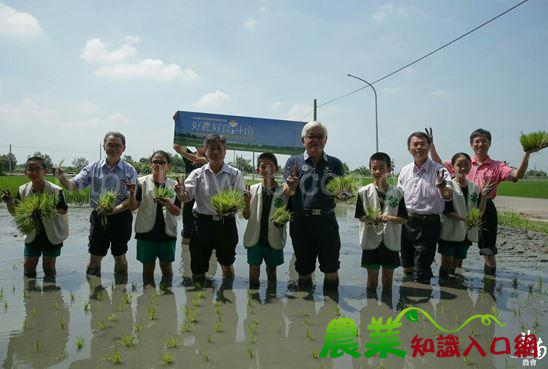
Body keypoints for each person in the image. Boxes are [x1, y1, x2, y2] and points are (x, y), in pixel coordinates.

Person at [429, 128, 542, 275]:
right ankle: (455, 277)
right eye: (477, 141)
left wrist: (526, 154)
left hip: (485, 208)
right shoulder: (464, 162)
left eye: (484, 141)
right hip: (461, 206)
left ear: (490, 143)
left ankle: (489, 285)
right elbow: (439, 163)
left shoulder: (497, 166)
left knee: (488, 249)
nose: (480, 144)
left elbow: (517, 175)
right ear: (471, 144)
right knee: (459, 241)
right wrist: (431, 145)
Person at [55, 131, 137, 276]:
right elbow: (73, 186)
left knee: (120, 256)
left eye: (117, 146)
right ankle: (93, 292)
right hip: (98, 216)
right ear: (104, 147)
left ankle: (121, 292)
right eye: (110, 145)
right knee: (95, 256)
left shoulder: (129, 170)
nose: (113, 149)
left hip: (121, 218)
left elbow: (131, 199)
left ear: (123, 148)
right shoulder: (92, 168)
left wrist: (114, 209)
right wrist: (61, 178)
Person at [282, 121, 344, 290]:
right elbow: (286, 191)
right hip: (301, 222)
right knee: (303, 269)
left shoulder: (335, 163)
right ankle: (305, 309)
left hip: (327, 222)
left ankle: (331, 307)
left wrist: (343, 194)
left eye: (320, 136)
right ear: (303, 140)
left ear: (325, 140)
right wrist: (291, 185)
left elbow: (341, 190)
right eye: (311, 136)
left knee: (331, 267)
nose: (316, 140)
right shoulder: (293, 162)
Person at [177, 134, 244, 283]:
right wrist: (181, 193)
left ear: (225, 151)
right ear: (205, 151)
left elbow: (239, 201)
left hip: (226, 225)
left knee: (227, 264)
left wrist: (230, 207)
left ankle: (227, 294)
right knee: (198, 267)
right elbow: (185, 197)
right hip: (202, 225)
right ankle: (199, 299)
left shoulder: (235, 174)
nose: (215, 152)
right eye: (211, 148)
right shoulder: (197, 173)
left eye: (219, 148)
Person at [397, 131, 452, 283]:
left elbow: (448, 195)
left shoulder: (440, 170)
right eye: (415, 144)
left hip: (429, 224)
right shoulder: (404, 170)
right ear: (409, 148)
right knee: (406, 264)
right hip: (407, 222)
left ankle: (423, 299)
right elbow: (398, 197)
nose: (419, 147)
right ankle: (406, 299)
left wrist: (441, 187)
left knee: (422, 268)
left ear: (429, 147)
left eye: (423, 144)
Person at [2, 156, 68, 278]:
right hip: (32, 234)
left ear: (45, 171)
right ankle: (30, 294)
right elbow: (16, 213)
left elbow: (63, 210)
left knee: (49, 268)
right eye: (30, 169)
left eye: (37, 169)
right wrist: (9, 203)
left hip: (52, 234)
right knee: (28, 267)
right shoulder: (23, 190)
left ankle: (52, 294)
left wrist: (44, 210)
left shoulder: (55, 190)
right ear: (25, 172)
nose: (34, 172)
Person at [127, 150, 181, 288]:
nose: (158, 165)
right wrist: (131, 193)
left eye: (162, 162)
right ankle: (147, 297)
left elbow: (177, 212)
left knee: (167, 269)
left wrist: (168, 204)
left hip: (167, 232)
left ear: (168, 165)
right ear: (151, 164)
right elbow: (133, 207)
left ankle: (167, 298)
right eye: (155, 162)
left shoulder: (174, 185)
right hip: (146, 232)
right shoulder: (141, 182)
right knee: (148, 270)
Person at [355, 152, 407, 292]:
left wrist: (390, 218)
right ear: (370, 169)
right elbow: (360, 216)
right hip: (371, 240)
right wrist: (370, 219)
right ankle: (371, 307)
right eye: (374, 168)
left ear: (389, 169)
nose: (377, 171)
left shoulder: (397, 193)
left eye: (382, 168)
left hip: (390, 241)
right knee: (372, 282)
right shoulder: (363, 192)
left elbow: (403, 219)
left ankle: (387, 309)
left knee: (388, 281)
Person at [438, 152, 492, 278]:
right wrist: (464, 219)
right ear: (453, 166)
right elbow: (446, 210)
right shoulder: (448, 186)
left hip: (467, 234)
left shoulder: (475, 188)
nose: (462, 168)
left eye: (466, 165)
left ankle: (452, 283)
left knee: (456, 262)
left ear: (470, 166)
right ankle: (444, 287)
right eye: (459, 165)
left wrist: (484, 196)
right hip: (449, 231)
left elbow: (479, 212)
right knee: (446, 262)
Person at [243, 152, 287, 288]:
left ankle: (272, 296)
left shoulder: (284, 192)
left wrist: (281, 220)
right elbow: (246, 216)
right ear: (258, 170)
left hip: (273, 238)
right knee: (254, 272)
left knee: (272, 272)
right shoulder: (252, 189)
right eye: (263, 166)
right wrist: (246, 202)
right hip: (255, 238)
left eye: (270, 166)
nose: (267, 169)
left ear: (277, 168)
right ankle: (253, 300)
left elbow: (287, 216)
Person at [173, 143, 207, 246]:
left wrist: (182, 153)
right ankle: (185, 256)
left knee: (204, 227)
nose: (204, 147)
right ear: (196, 145)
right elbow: (177, 144)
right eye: (201, 144)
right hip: (188, 195)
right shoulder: (188, 154)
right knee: (187, 226)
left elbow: (196, 159)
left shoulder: (208, 158)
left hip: (203, 198)